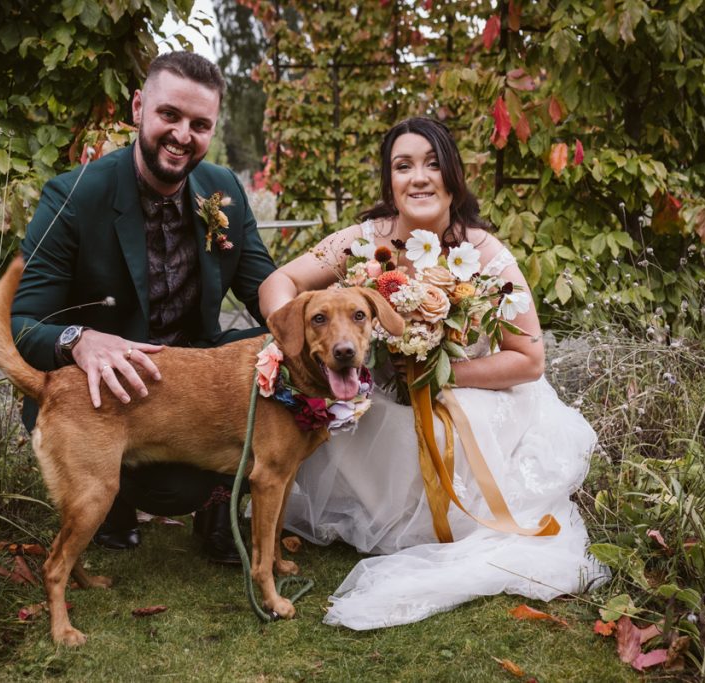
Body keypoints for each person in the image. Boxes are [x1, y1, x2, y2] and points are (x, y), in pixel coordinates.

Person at [257, 117, 607, 629]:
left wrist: (440, 377)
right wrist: (295, 346)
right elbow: (280, 281)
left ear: (452, 177)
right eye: (403, 166)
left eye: (432, 163)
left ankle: (441, 520)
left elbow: (529, 359)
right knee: (356, 413)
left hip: (468, 397)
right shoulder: (363, 241)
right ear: (390, 183)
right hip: (378, 397)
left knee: (440, 427)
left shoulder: (485, 253)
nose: (418, 177)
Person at [11, 52, 276, 564]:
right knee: (167, 490)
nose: (182, 135)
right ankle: (109, 498)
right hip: (101, 397)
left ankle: (219, 515)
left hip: (187, 387)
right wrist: (79, 341)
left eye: (200, 125)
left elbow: (264, 290)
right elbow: (24, 325)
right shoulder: (74, 195)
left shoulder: (224, 192)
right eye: (169, 115)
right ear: (138, 107)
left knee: (265, 366)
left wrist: (321, 325)